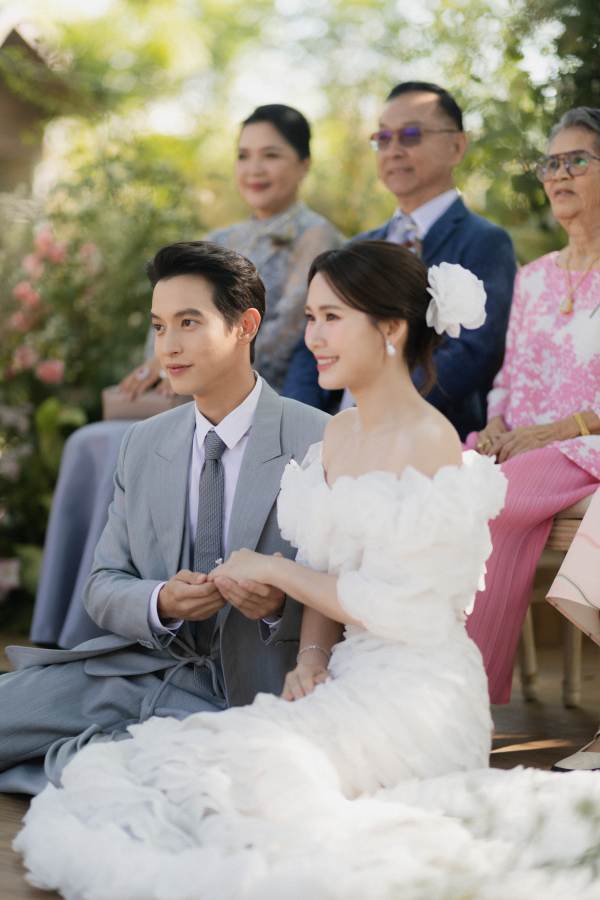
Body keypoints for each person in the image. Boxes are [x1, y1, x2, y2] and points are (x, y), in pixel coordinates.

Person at [14, 243, 600, 899]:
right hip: (324, 676)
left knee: (245, 795)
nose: (313, 337)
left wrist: (273, 575)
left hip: (417, 693)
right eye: (312, 318)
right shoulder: (340, 436)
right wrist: (311, 659)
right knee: (185, 778)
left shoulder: (428, 440)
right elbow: (323, 559)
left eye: (331, 319)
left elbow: (404, 607)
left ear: (390, 328)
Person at [0, 241, 329, 796]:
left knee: (132, 785)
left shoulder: (317, 438)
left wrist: (279, 608)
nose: (168, 347)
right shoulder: (141, 443)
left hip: (251, 694)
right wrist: (161, 602)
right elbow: (102, 586)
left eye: (188, 323)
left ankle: (85, 762)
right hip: (136, 672)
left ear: (245, 326)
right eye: (159, 327)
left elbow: (348, 598)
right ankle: (87, 755)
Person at [30, 104, 343, 649]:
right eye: (244, 155)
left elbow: (289, 326)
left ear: (303, 164)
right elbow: (172, 319)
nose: (254, 168)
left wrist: (217, 355)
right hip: (189, 401)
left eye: (270, 155)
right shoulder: (221, 236)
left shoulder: (317, 236)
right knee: (98, 442)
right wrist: (158, 363)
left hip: (269, 388)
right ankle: (76, 627)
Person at [283, 81, 516, 438]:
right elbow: (307, 348)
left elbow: (474, 352)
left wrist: (378, 417)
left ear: (456, 146)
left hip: (428, 435)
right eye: (383, 138)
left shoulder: (485, 243)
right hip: (331, 434)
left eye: (410, 135)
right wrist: (303, 427)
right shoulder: (360, 245)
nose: (393, 150)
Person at [464, 106, 600, 711]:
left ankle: (469, 693)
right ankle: (406, 674)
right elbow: (508, 374)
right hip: (523, 443)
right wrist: (496, 422)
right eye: (552, 163)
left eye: (578, 160)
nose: (560, 173)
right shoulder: (534, 277)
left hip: (584, 446)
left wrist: (551, 432)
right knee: (441, 478)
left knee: (498, 497)